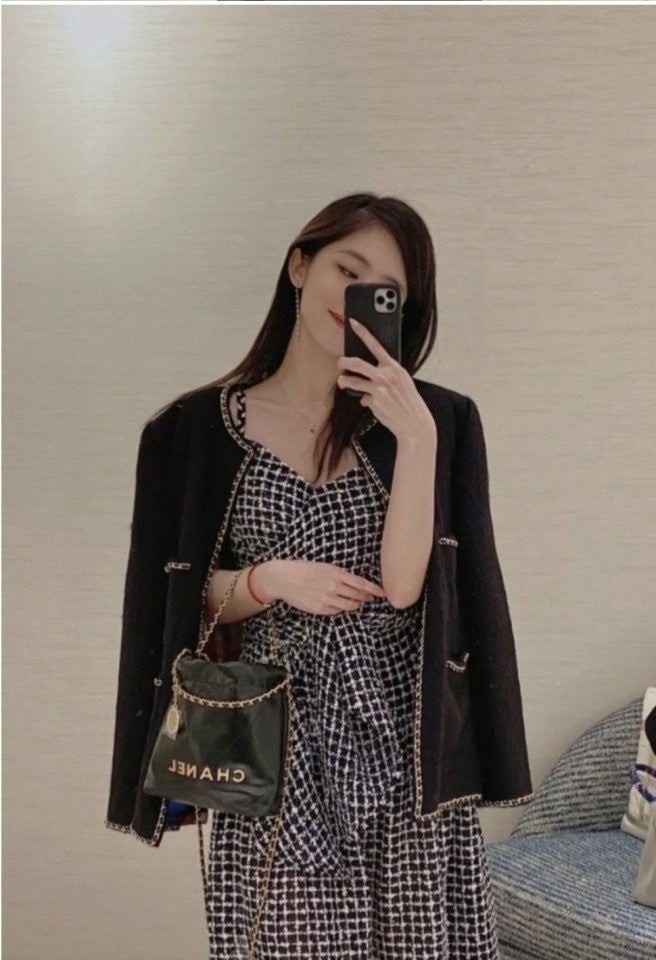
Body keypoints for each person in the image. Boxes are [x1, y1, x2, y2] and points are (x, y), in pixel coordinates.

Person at [106, 192, 534, 959]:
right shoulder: (193, 432)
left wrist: (416, 439)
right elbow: (176, 603)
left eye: (387, 291)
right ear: (300, 266)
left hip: (402, 736)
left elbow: (405, 588)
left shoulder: (436, 421)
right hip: (268, 739)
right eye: (347, 268)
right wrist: (267, 581)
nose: (359, 295)